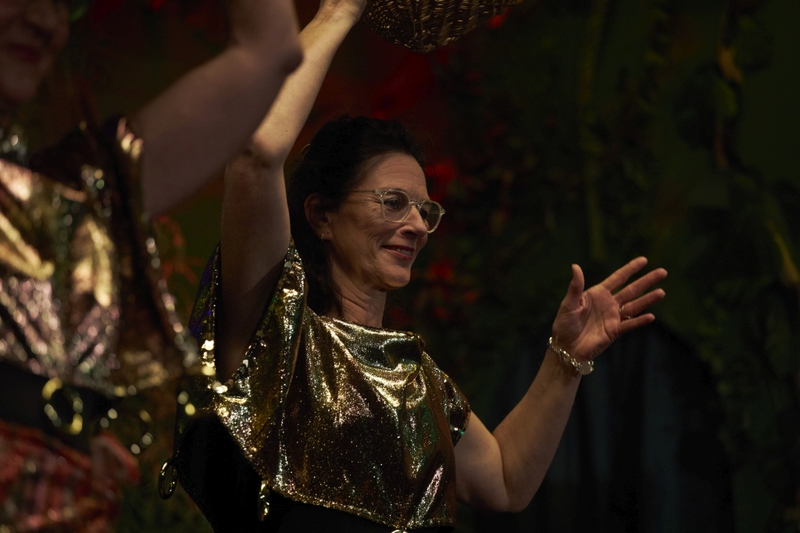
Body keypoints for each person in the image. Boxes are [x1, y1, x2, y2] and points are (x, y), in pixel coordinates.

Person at [165, 0, 668, 531]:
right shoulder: (273, 333)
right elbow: (256, 151)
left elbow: (503, 481)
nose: (418, 226)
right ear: (321, 215)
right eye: (393, 203)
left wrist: (565, 360)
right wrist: (339, 12)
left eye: (426, 210)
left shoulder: (417, 377)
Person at [0, 0, 303, 530]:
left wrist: (60, 449)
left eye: (63, 4)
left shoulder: (65, 198)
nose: (45, 21)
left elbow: (269, 49)